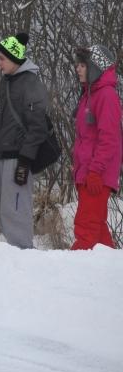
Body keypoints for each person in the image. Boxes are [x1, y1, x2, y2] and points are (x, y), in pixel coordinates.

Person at [0, 32, 49, 248]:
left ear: (15, 59)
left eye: (1, 58)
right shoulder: (5, 83)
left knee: (15, 212)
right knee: (2, 210)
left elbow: (38, 126)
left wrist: (25, 159)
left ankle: (25, 258)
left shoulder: (30, 83)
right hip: (2, 155)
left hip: (18, 157)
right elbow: (1, 120)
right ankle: (14, 261)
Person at [71, 44, 121, 250]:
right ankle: (109, 264)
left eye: (83, 65)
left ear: (95, 68)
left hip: (96, 175)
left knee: (85, 229)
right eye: (78, 65)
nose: (78, 69)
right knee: (98, 233)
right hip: (88, 173)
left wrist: (95, 171)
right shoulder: (89, 95)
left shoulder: (106, 96)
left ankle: (69, 274)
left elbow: (109, 139)